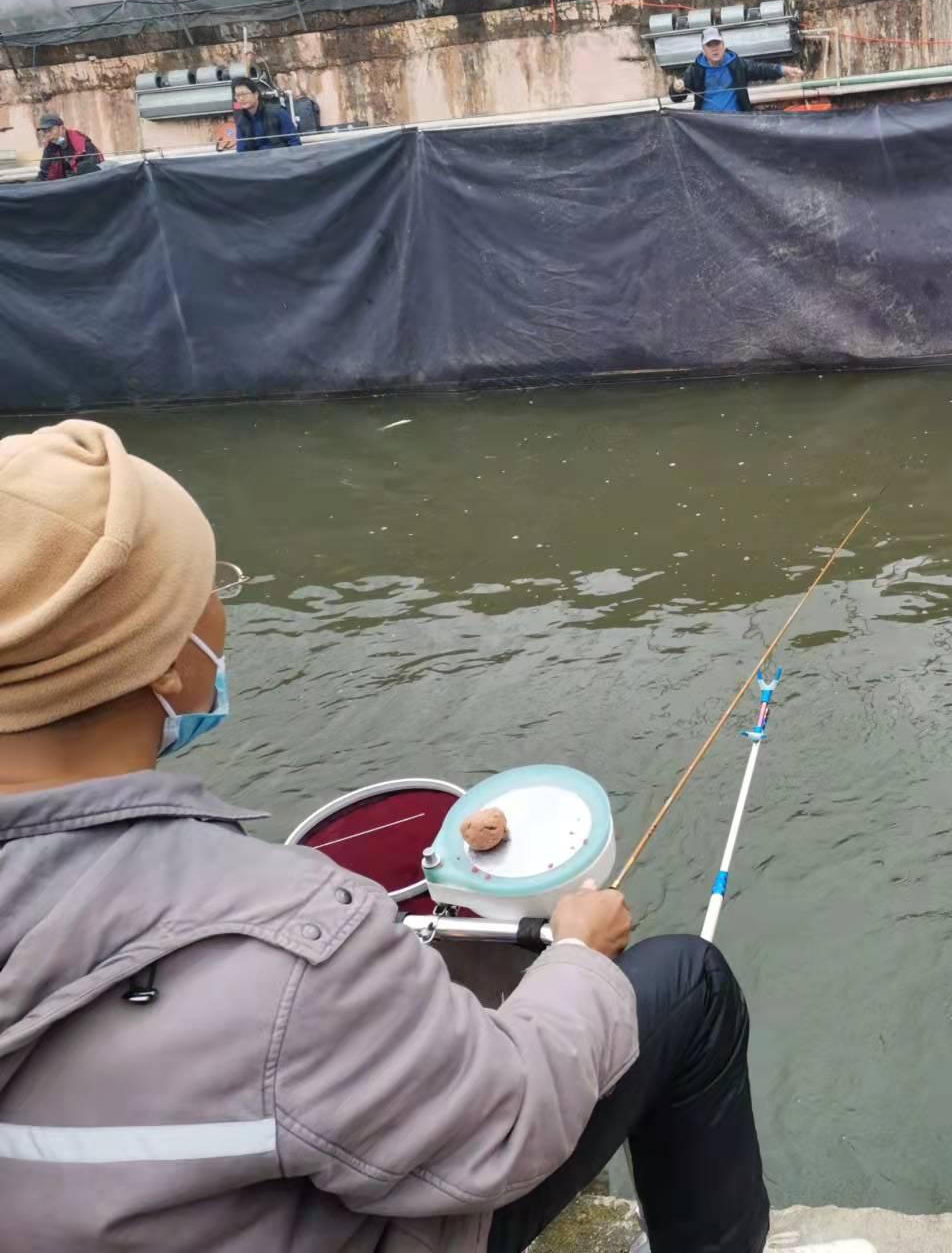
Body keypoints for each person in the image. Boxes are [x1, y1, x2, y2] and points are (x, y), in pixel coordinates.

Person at [0, 420, 769, 1253]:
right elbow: (506, 1118)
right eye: (205, 585)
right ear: (162, 659)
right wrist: (579, 959)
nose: (218, 609)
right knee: (689, 982)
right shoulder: (295, 950)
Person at [669, 27, 805, 113]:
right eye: (709, 45)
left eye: (717, 43)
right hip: (707, 126)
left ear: (723, 45)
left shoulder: (737, 64)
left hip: (737, 123)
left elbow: (761, 69)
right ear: (704, 50)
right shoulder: (695, 70)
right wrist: (676, 88)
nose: (714, 48)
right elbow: (676, 97)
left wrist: (784, 70)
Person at [227, 76, 302, 151]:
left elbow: (295, 143)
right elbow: (241, 152)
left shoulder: (278, 113)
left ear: (256, 94)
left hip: (281, 159)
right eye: (237, 96)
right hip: (257, 161)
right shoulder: (242, 122)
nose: (241, 99)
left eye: (244, 94)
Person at [34, 112, 102, 181]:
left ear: (62, 128)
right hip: (64, 186)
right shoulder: (50, 148)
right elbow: (44, 174)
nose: (47, 134)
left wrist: (65, 149)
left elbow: (93, 171)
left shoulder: (82, 144)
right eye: (45, 131)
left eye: (50, 130)